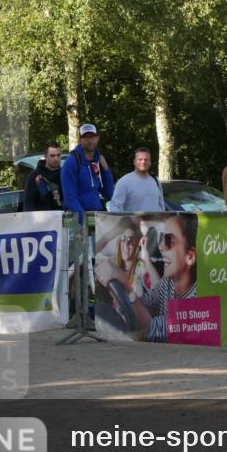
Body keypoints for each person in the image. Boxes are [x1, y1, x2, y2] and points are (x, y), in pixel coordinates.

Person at [95, 214, 197, 343]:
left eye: (169, 240)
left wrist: (125, 285)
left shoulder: (197, 297)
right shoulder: (168, 284)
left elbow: (150, 329)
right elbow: (143, 305)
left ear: (190, 257)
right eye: (161, 238)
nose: (160, 246)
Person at [60, 123, 114, 223]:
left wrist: (106, 170)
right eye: (86, 137)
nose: (90, 140)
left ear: (98, 138)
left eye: (92, 136)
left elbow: (109, 194)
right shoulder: (71, 162)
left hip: (96, 217)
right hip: (77, 222)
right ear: (81, 139)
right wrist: (86, 221)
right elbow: (70, 199)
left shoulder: (98, 161)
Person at [108, 147, 166, 213]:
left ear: (150, 162)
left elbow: (161, 206)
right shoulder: (124, 181)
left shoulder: (155, 180)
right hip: (132, 223)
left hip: (154, 223)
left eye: (146, 160)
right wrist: (124, 222)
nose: (143, 162)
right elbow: (115, 206)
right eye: (140, 159)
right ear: (134, 162)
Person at [23, 142, 63, 211]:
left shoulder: (64, 173)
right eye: (52, 156)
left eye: (58, 155)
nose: (56, 158)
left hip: (62, 216)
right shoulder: (34, 175)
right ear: (45, 156)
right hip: (41, 217)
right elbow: (29, 201)